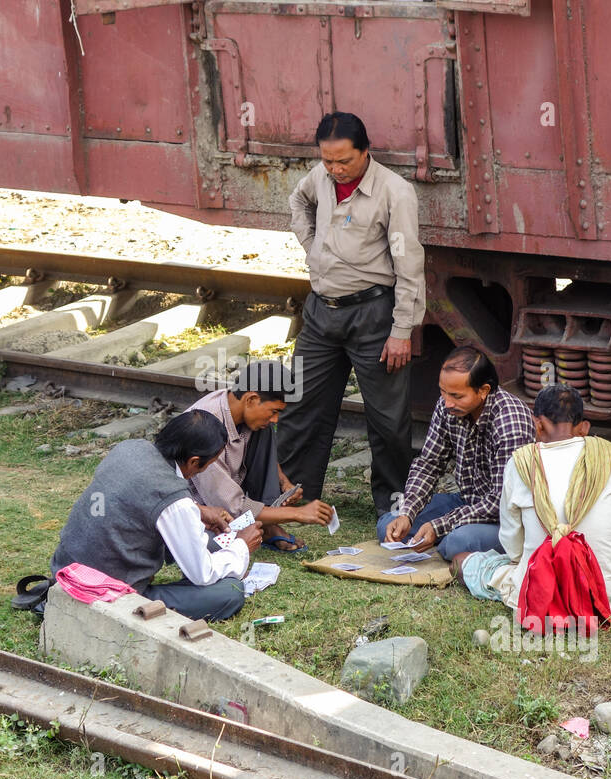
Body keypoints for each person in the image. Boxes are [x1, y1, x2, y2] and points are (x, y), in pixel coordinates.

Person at [276, 111, 425, 515]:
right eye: (328, 160)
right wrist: (313, 247)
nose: (336, 169)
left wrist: (402, 330)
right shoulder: (320, 177)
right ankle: (294, 500)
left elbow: (409, 265)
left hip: (374, 314)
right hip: (322, 312)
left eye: (344, 161)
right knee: (301, 406)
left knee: (387, 420)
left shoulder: (395, 191)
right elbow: (297, 200)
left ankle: (392, 507)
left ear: (366, 152)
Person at [455, 384, 611, 626]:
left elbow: (514, 549)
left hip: (540, 590)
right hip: (610, 593)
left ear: (536, 424)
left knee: (461, 560)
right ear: (585, 428)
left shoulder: (519, 463)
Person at [49, 410, 262, 622]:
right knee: (229, 592)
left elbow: (132, 497)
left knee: (212, 541)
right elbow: (202, 574)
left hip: (66, 568)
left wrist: (196, 509)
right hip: (103, 592)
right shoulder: (174, 499)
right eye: (209, 464)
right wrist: (242, 546)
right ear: (194, 462)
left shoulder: (130, 448)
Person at [379, 348, 534, 560]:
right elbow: (428, 464)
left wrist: (439, 526)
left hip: (506, 518)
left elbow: (501, 502)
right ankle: (444, 536)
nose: (447, 402)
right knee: (389, 524)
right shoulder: (447, 407)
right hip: (468, 502)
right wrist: (407, 512)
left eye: (456, 396)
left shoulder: (510, 422)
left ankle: (449, 539)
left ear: (483, 390)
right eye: (443, 392)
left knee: (456, 544)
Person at [184, 360, 335, 552]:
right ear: (251, 399)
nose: (276, 419)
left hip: (227, 503)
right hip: (201, 510)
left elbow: (264, 444)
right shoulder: (206, 428)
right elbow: (232, 506)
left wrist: (283, 481)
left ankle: (268, 524)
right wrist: (297, 514)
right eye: (274, 411)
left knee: (263, 426)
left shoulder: (238, 407)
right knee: (215, 541)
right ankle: (265, 522)